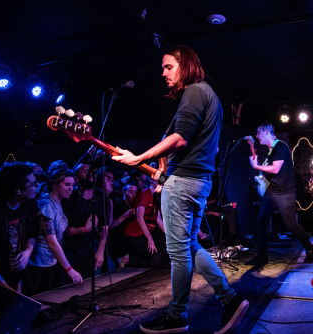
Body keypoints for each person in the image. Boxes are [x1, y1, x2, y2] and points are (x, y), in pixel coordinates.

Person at [113, 44, 248, 334]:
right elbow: (183, 142)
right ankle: (229, 299)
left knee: (178, 252)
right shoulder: (208, 95)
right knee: (190, 246)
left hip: (184, 183)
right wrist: (162, 170)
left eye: (168, 66)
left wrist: (138, 157)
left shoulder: (195, 91)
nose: (162, 73)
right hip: (198, 182)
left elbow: (180, 138)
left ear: (185, 65)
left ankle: (177, 316)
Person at [247, 123, 313, 265]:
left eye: (258, 133)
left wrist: (256, 166)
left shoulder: (280, 146)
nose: (257, 136)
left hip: (285, 193)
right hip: (272, 192)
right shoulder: (270, 150)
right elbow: (267, 170)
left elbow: (275, 169)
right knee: (261, 220)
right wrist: (252, 149)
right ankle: (262, 256)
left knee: (291, 225)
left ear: (266, 132)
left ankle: (310, 250)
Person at [0, 162, 39, 293]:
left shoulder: (29, 204)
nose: (37, 186)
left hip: (14, 276)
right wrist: (5, 287)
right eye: (32, 184)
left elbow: (33, 233)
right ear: (18, 190)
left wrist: (27, 252)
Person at [26, 165, 83, 295]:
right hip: (39, 264)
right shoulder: (46, 205)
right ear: (54, 185)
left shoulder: (58, 202)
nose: (71, 188)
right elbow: (51, 241)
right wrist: (69, 269)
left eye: (72, 185)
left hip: (50, 262)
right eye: (67, 184)